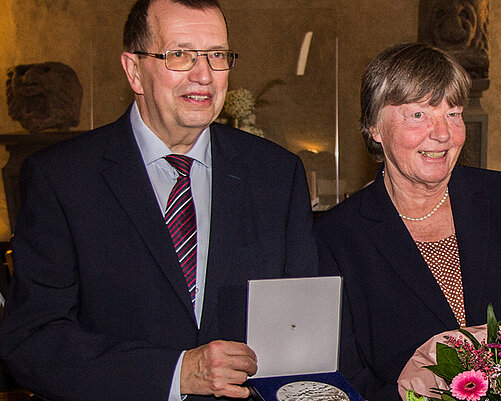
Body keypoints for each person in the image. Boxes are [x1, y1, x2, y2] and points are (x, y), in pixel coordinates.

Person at [0, 1, 317, 400]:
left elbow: (302, 333)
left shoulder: (275, 174)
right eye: (179, 55)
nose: (204, 75)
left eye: (217, 55)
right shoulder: (62, 179)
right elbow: (33, 341)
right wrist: (175, 372)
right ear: (134, 70)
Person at [316, 42, 501, 400]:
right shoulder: (336, 236)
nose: (442, 133)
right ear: (375, 127)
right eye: (418, 114)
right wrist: (407, 393)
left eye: (452, 112)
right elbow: (340, 380)